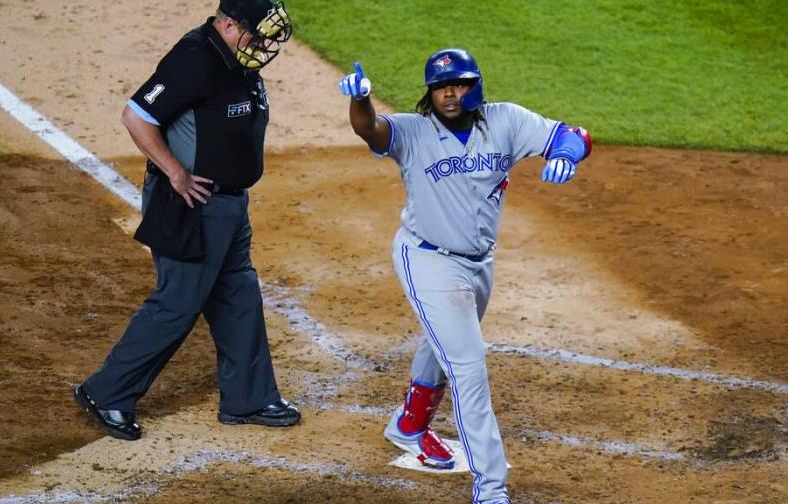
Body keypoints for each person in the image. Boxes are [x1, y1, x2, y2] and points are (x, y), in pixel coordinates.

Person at [339, 49, 591, 503]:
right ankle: (491, 490)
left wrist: (567, 155)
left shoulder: (505, 122)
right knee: (469, 368)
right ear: (429, 93)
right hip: (427, 259)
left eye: (457, 84)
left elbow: (571, 135)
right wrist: (361, 101)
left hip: (478, 262)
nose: (449, 94)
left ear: (473, 86)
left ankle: (409, 425)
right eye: (439, 87)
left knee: (446, 339)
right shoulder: (414, 132)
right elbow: (370, 130)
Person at [73, 0, 300, 441]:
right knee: (178, 302)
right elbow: (136, 115)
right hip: (192, 204)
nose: (265, 44)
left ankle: (248, 398)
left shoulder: (237, 57)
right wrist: (175, 172)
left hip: (230, 205)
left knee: (239, 295)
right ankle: (107, 392)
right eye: (259, 33)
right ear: (229, 24)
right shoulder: (195, 57)